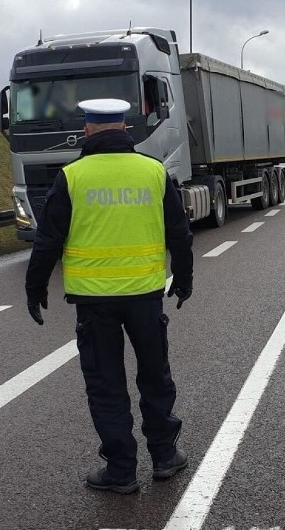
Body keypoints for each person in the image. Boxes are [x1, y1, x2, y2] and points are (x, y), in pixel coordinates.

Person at [24, 98, 194, 494]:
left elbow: (47, 240)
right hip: (146, 296)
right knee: (155, 376)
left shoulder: (72, 176)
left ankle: (120, 471)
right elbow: (179, 233)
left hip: (93, 301)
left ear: (87, 130)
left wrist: (34, 289)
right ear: (125, 128)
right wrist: (183, 280)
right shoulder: (154, 172)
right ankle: (166, 456)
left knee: (106, 384)